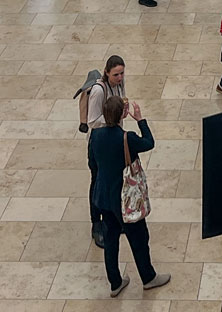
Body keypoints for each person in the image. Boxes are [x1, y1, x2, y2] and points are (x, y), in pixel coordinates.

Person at [91, 96, 170, 296]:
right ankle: (148, 277)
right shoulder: (127, 138)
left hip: (103, 197)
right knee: (139, 238)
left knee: (111, 239)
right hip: (125, 200)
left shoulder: (96, 135)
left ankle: (115, 282)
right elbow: (149, 143)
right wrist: (141, 120)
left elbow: (93, 164)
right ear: (123, 114)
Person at [82, 55, 126, 249]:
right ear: (107, 72)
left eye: (122, 73)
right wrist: (112, 119)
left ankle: (114, 217)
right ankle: (96, 223)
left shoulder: (119, 85)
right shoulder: (99, 91)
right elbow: (92, 121)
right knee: (97, 180)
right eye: (116, 74)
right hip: (98, 143)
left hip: (114, 139)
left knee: (115, 179)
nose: (120, 77)